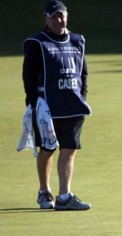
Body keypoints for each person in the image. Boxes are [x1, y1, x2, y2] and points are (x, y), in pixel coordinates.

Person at [21, 0, 92, 210]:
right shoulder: (37, 43)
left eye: (61, 15)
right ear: (46, 19)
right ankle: (44, 191)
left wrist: (82, 95)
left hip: (73, 105)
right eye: (54, 17)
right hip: (47, 107)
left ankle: (64, 196)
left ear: (67, 16)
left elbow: (83, 72)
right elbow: (28, 76)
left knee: (69, 148)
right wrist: (34, 103)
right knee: (48, 148)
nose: (59, 20)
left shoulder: (77, 41)